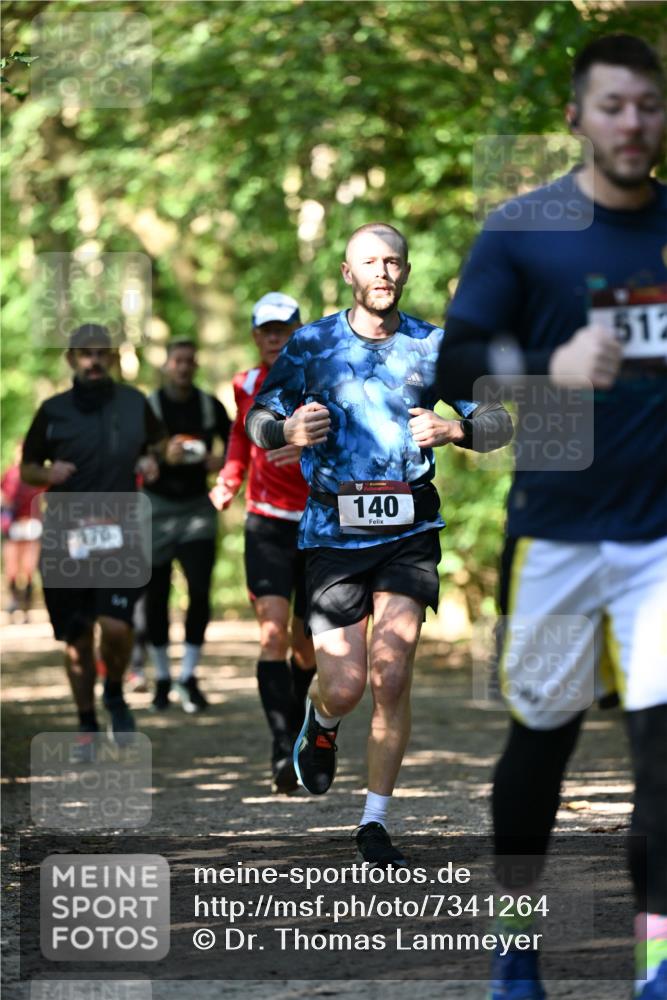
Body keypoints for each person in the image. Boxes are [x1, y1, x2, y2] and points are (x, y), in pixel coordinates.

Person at [435, 35, 667, 1000]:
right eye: (612, 106)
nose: (631, 124)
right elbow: (452, 369)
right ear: (575, 117)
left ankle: (656, 962)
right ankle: (514, 943)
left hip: (661, 539)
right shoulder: (527, 230)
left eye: (648, 106)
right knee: (540, 745)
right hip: (559, 533)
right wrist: (544, 372)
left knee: (662, 755)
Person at [246, 223, 513, 864]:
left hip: (410, 532)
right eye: (371, 262)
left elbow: (499, 421)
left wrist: (455, 429)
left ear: (406, 270)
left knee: (392, 672)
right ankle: (324, 720)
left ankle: (375, 821)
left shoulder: (435, 345)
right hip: (333, 536)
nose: (383, 273)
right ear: (348, 274)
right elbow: (259, 419)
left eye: (393, 262)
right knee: (346, 684)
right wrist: (287, 426)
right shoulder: (310, 345)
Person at [20, 323, 165, 744]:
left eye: (102, 353)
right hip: (67, 533)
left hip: (120, 528)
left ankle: (115, 692)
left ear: (114, 358)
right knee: (77, 637)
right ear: (72, 359)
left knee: (116, 627)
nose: (94, 361)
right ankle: (86, 722)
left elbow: (158, 443)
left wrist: (150, 459)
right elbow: (28, 466)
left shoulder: (134, 404)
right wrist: (48, 472)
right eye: (85, 354)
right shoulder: (52, 410)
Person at [210, 293, 315, 793]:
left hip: (321, 524)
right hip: (267, 523)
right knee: (272, 635)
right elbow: (239, 434)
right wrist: (230, 478)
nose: (275, 338)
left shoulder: (323, 379)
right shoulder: (247, 383)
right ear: (255, 336)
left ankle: (302, 729)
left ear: (300, 330)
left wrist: (305, 450)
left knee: (308, 646)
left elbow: (351, 437)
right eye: (266, 330)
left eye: (284, 328)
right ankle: (282, 746)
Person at [143, 339, 230, 713]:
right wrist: (159, 455)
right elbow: (129, 449)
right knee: (155, 595)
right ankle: (162, 679)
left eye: (189, 361)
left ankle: (188, 676)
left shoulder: (210, 405)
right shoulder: (149, 407)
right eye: (177, 361)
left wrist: (219, 462)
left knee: (199, 591)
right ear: (166, 365)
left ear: (195, 365)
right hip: (155, 508)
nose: (183, 367)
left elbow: (237, 446)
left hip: (197, 509)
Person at [2, 442, 45, 621]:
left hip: (32, 524)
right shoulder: (10, 475)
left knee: (28, 567)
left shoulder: (35, 475)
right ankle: (14, 601)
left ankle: (25, 606)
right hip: (13, 524)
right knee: (12, 566)